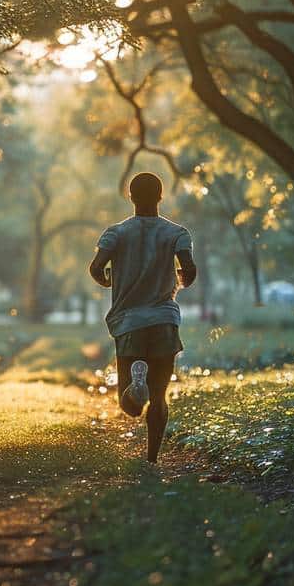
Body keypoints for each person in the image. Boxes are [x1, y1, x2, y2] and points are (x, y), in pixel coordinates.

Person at [88, 172, 197, 463]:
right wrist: (180, 279)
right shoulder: (176, 233)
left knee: (132, 406)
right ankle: (152, 459)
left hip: (129, 323)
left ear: (131, 197)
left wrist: (108, 279)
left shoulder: (116, 232)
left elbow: (96, 267)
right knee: (159, 397)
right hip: (164, 320)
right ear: (161, 197)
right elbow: (189, 269)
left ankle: (137, 383)